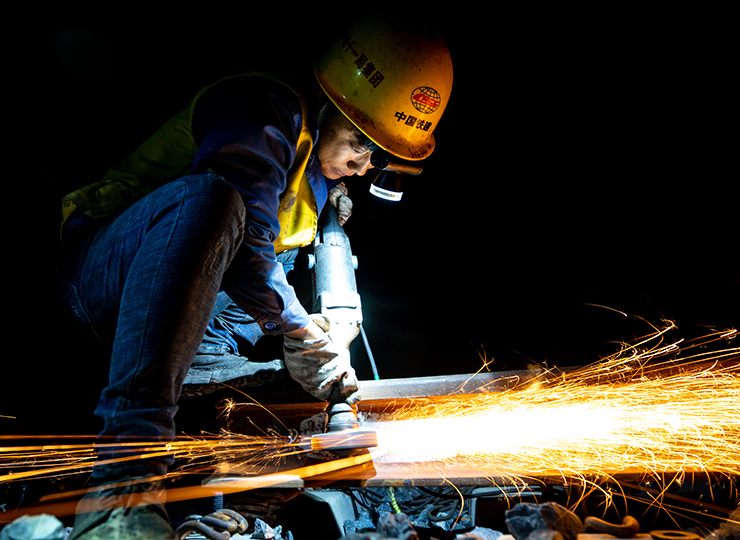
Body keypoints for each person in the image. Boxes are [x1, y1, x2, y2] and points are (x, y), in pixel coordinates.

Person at [57, 16, 453, 540]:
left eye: (378, 158)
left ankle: (206, 383)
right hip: (101, 284)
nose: (364, 165)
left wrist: (333, 330)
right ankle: (120, 492)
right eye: (362, 144)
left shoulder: (319, 182)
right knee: (214, 201)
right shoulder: (263, 109)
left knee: (284, 265)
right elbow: (243, 243)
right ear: (332, 100)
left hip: (187, 313)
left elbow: (275, 261)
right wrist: (299, 332)